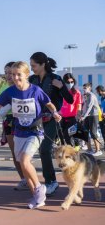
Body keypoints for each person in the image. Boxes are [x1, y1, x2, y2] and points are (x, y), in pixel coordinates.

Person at [0, 61, 61, 209]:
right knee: (24, 167)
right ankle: (37, 197)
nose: (15, 77)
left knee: (24, 160)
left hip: (35, 132)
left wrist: (54, 112)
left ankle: (39, 188)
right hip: (19, 133)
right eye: (12, 74)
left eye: (18, 75)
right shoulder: (10, 92)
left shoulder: (35, 91)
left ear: (26, 75)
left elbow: (49, 104)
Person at [29, 52, 73, 196]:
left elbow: (70, 100)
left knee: (45, 149)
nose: (32, 68)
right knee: (28, 153)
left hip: (53, 120)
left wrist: (61, 87)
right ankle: (29, 180)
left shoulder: (55, 78)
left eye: (34, 65)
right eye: (30, 66)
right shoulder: (31, 79)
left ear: (43, 64)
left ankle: (51, 182)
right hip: (35, 121)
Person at [0, 61, 27, 190]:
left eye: (11, 73)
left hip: (22, 120)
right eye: (6, 73)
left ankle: (30, 177)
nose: (9, 76)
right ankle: (23, 179)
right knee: (15, 152)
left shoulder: (22, 87)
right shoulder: (2, 88)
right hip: (8, 120)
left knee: (24, 153)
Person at [59, 73, 82, 148]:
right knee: (63, 135)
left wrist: (78, 114)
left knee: (67, 134)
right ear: (64, 82)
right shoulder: (60, 91)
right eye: (68, 82)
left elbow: (79, 104)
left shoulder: (76, 92)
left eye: (72, 82)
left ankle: (72, 150)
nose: (70, 84)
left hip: (73, 117)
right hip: (62, 118)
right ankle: (76, 146)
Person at [81, 83, 102, 156]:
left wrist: (84, 116)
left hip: (93, 115)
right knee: (85, 132)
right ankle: (89, 149)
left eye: (85, 88)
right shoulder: (86, 96)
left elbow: (89, 107)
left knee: (93, 133)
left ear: (89, 88)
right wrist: (83, 115)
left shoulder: (91, 96)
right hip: (87, 116)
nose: (84, 89)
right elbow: (84, 106)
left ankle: (98, 150)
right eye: (83, 88)